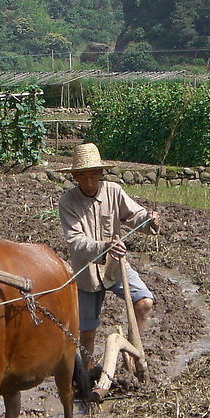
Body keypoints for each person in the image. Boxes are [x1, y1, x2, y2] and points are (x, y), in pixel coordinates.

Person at [59, 142, 161, 366]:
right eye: (83, 177)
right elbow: (76, 241)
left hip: (115, 267)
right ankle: (86, 378)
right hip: (86, 274)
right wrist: (104, 247)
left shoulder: (113, 191)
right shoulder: (68, 202)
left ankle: (131, 354)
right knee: (87, 334)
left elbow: (135, 215)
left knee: (144, 302)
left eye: (93, 176)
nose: (88, 182)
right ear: (75, 177)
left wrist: (149, 220)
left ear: (100, 173)